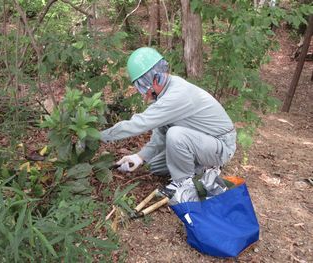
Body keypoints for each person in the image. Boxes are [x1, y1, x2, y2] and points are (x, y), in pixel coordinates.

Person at [100, 47, 236, 197]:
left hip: (220, 145)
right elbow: (160, 134)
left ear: (154, 79)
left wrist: (99, 136)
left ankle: (184, 185)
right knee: (155, 166)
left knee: (176, 134)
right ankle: (201, 168)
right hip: (201, 141)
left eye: (142, 86)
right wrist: (139, 157)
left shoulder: (176, 95)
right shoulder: (166, 91)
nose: (143, 92)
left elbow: (139, 123)